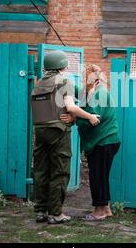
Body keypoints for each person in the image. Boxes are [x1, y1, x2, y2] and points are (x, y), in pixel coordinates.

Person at [31, 51, 100, 224]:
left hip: (40, 132)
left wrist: (92, 80)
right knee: (60, 172)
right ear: (61, 66)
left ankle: (40, 211)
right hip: (58, 132)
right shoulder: (64, 81)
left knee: (41, 171)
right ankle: (55, 213)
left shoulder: (38, 84)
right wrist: (90, 117)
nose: (68, 67)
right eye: (66, 64)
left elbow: (81, 94)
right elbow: (71, 107)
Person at [61, 64, 121, 221]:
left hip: (103, 141)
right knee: (102, 176)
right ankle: (106, 209)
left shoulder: (99, 95)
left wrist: (75, 119)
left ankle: (98, 212)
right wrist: (64, 80)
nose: (83, 85)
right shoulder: (96, 92)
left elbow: (93, 119)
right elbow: (80, 93)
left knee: (97, 177)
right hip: (107, 141)